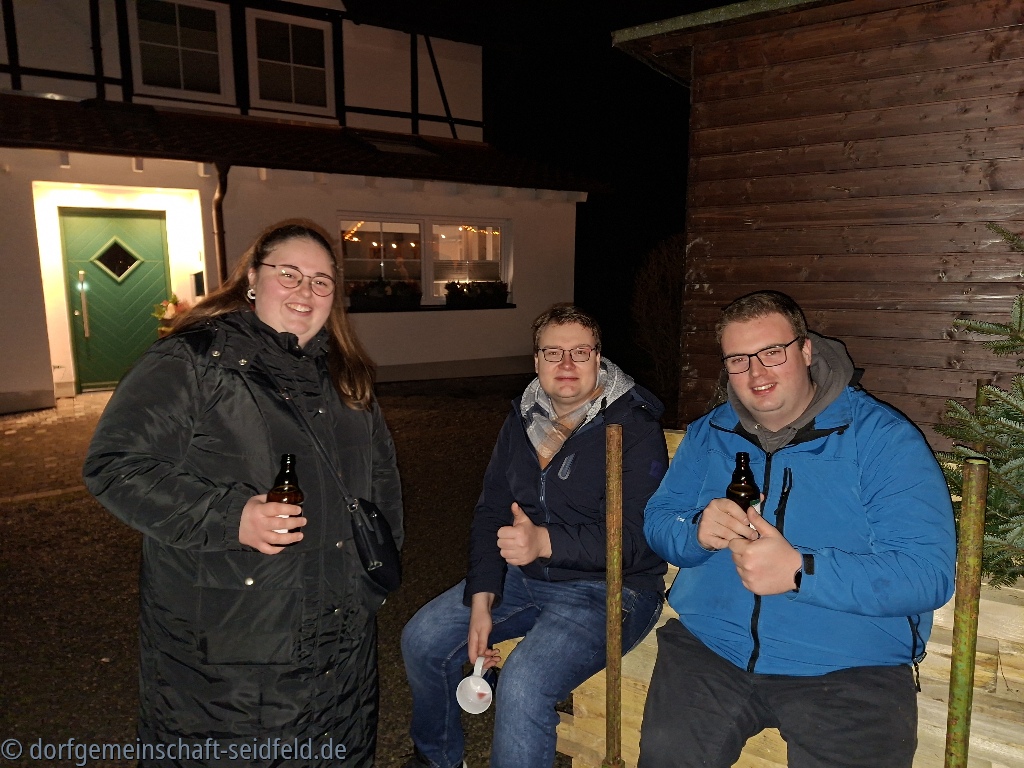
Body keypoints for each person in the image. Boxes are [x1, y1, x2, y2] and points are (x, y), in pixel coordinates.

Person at [83, 222, 402, 767]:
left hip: (341, 648)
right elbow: (116, 466)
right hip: (233, 655)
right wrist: (231, 517)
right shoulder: (194, 361)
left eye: (322, 281)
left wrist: (372, 580)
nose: (305, 291)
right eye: (289, 274)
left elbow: (382, 486)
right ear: (253, 279)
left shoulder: (345, 377)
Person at [638, 291, 957, 768]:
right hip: (713, 649)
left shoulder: (881, 438)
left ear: (805, 350)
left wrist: (799, 572)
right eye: (738, 360)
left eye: (772, 352)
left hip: (849, 664)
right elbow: (660, 520)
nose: (756, 373)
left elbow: (926, 575)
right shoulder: (709, 433)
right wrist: (695, 532)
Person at [400, 304, 668, 768]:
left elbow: (640, 540)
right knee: (421, 639)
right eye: (552, 352)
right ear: (536, 360)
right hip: (525, 578)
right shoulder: (523, 419)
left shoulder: (633, 426)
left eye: (579, 352)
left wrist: (545, 542)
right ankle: (437, 759)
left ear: (598, 357)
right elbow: (491, 511)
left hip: (612, 590)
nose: (566, 364)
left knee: (524, 682)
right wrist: (483, 597)